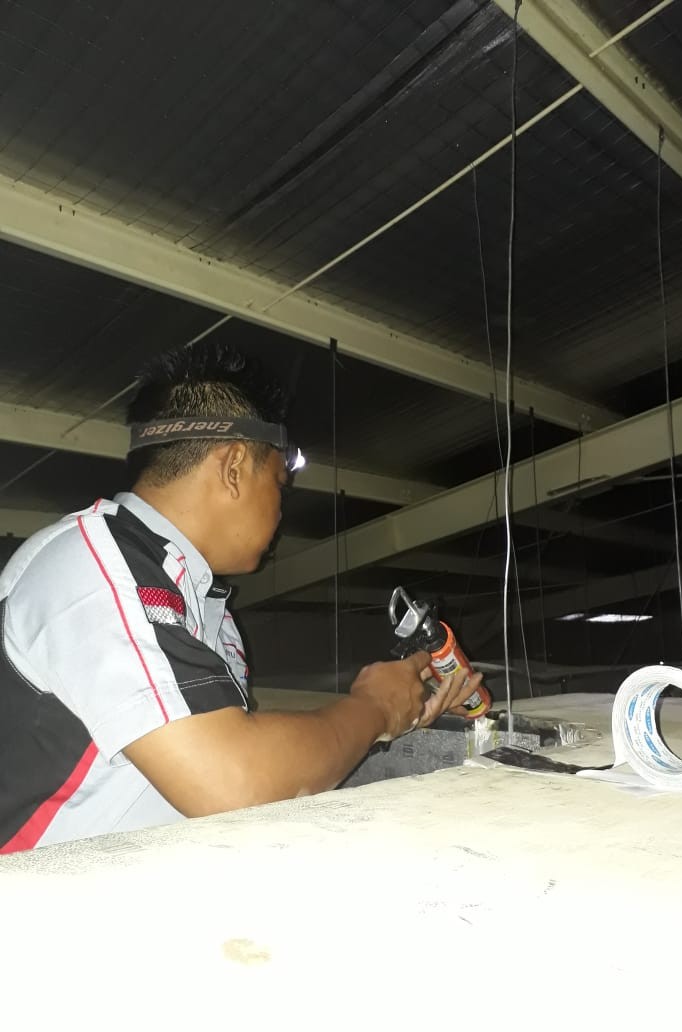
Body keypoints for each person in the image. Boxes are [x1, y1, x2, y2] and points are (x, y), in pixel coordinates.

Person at [0, 341, 481, 853]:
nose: (281, 510)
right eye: (278, 483)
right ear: (233, 468)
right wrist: (373, 709)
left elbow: (256, 760)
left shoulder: (208, 612)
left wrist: (395, 714)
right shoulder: (92, 566)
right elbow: (231, 782)